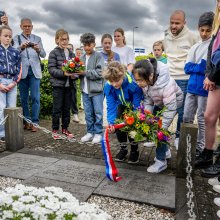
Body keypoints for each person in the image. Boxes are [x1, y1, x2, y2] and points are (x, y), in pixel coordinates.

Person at [133, 59, 183, 173]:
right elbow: (148, 101)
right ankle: (165, 151)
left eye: (140, 80)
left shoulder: (167, 85)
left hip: (174, 104)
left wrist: (160, 129)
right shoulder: (146, 82)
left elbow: (170, 109)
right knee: (152, 124)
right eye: (136, 80)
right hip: (160, 103)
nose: (138, 83)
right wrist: (147, 117)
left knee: (160, 130)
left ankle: (161, 161)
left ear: (151, 75)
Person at [163, 10, 199, 148]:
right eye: (171, 23)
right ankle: (162, 138)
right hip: (169, 79)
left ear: (184, 23)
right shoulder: (166, 38)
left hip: (185, 79)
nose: (173, 26)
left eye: (177, 23)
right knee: (167, 109)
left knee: (182, 111)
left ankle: (179, 136)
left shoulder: (192, 37)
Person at [183, 11, 214, 155]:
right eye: (202, 30)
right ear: (198, 28)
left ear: (212, 29)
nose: (204, 33)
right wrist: (199, 67)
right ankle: (186, 142)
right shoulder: (195, 47)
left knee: (201, 119)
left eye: (208, 30)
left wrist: (197, 67)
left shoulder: (212, 46)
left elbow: (207, 68)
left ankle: (200, 147)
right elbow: (187, 68)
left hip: (204, 90)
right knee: (186, 117)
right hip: (191, 88)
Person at [195, 1, 220, 176]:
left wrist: (213, 76)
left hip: (218, 76)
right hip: (215, 77)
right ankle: (207, 154)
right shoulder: (217, 26)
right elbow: (212, 52)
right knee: (209, 117)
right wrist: (208, 74)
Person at [103, 61, 143, 163]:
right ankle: (123, 148)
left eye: (117, 80)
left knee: (131, 128)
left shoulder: (133, 84)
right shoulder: (108, 86)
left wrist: (134, 117)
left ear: (123, 75)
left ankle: (134, 150)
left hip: (133, 106)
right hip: (121, 105)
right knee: (118, 126)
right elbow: (111, 106)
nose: (114, 84)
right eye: (112, 81)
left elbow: (137, 103)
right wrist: (111, 123)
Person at [13, 18, 46, 132]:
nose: (27, 28)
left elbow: (43, 54)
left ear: (32, 26)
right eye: (25, 26)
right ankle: (27, 121)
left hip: (35, 71)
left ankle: (35, 122)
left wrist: (38, 49)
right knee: (23, 98)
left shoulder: (38, 38)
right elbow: (13, 53)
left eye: (29, 26)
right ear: (21, 26)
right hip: (22, 71)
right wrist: (21, 47)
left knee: (35, 97)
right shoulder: (16, 38)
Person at [77, 33, 104, 144]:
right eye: (85, 45)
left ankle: (98, 133)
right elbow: (79, 72)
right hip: (85, 90)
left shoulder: (99, 56)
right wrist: (76, 73)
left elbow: (100, 72)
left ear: (94, 44)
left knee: (98, 113)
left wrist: (85, 72)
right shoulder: (81, 57)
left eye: (89, 45)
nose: (87, 47)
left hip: (96, 90)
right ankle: (90, 132)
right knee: (88, 113)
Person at [48, 29, 75, 140]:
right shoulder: (53, 53)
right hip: (58, 86)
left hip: (69, 86)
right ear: (57, 40)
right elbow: (51, 69)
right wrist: (64, 73)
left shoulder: (71, 53)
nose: (64, 41)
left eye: (66, 39)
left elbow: (77, 68)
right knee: (57, 109)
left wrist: (75, 75)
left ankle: (65, 129)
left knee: (66, 109)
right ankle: (55, 130)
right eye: (62, 39)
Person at [0, 26, 21, 142]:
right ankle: (2, 133)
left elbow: (19, 69)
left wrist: (14, 83)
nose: (8, 38)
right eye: (5, 36)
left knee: (12, 108)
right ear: (0, 36)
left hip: (12, 83)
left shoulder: (15, 52)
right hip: (1, 81)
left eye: (9, 36)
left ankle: (12, 133)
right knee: (1, 108)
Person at [67, 43, 80, 123]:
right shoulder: (62, 57)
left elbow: (79, 71)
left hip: (72, 81)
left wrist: (74, 75)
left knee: (73, 98)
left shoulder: (75, 59)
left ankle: (75, 114)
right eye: (68, 48)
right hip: (63, 82)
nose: (69, 50)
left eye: (70, 48)